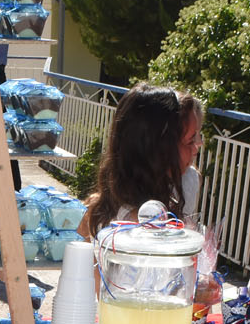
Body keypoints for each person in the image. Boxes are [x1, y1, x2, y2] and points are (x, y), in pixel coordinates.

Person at [80, 83, 203, 238]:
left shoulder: (114, 200)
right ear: (158, 149)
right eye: (190, 140)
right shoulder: (138, 225)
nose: (198, 145)